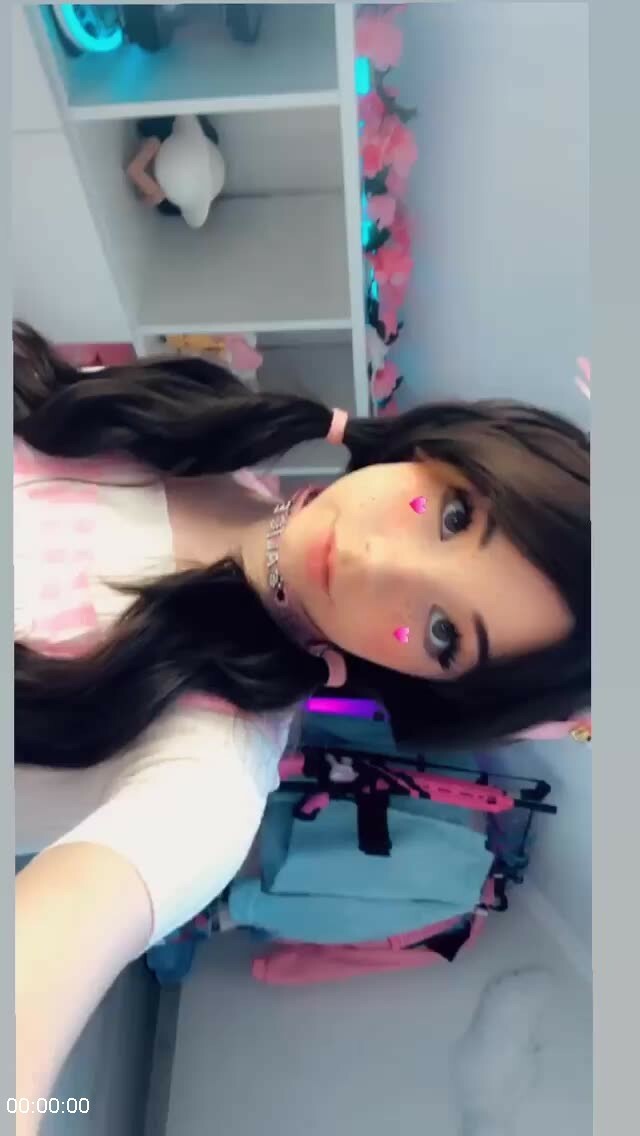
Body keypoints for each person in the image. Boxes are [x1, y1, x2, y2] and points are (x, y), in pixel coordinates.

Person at [13, 323, 590, 1128]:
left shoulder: (213, 774)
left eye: (442, 634)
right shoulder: (194, 421)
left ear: (429, 686)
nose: (377, 562)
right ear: (443, 450)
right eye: (455, 516)